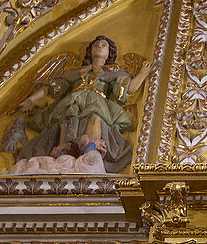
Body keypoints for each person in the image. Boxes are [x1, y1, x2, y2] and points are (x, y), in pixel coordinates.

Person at [13, 35, 152, 172]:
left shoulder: (112, 73)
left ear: (109, 53)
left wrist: (142, 74)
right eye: (96, 45)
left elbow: (129, 89)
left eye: (104, 46)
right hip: (73, 101)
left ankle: (91, 150)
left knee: (96, 116)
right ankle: (63, 151)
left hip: (97, 101)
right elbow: (52, 88)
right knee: (65, 118)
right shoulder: (77, 73)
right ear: (90, 51)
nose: (99, 47)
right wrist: (32, 99)